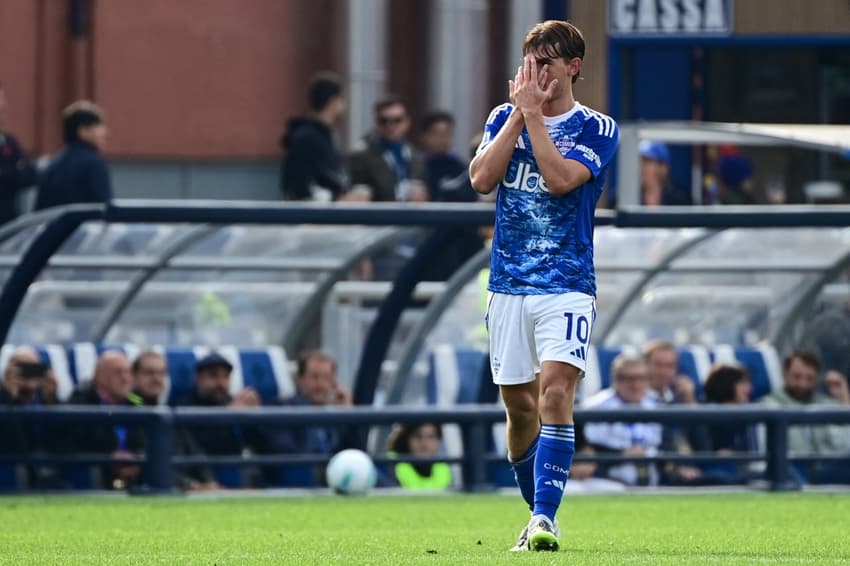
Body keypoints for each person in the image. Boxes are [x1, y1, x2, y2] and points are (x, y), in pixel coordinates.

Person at [468, 20, 619, 551]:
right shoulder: (501, 117)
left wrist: (533, 115)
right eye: (529, 62)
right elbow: (481, 179)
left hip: (567, 283)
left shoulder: (597, 128)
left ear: (573, 67)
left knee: (556, 392)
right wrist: (518, 115)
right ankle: (536, 516)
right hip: (508, 284)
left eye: (547, 63)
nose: (535, 73)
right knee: (520, 408)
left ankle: (544, 519)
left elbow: (559, 180)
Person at [258, 350, 358, 487]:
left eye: (327, 378)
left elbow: (357, 451)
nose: (320, 385)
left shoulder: (336, 413)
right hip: (299, 480)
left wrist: (349, 417)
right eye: (314, 377)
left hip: (337, 477)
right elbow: (286, 451)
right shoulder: (281, 408)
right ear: (299, 379)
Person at [759, 350, 850, 484]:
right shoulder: (767, 406)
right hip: (790, 472)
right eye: (797, 377)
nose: (803, 384)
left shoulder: (829, 405)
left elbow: (845, 447)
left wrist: (844, 399)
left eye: (809, 379)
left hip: (829, 471)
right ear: (784, 374)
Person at [174, 352, 262, 488]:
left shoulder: (233, 402)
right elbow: (197, 444)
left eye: (225, 377)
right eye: (213, 376)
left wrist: (256, 418)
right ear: (198, 378)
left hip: (237, 472)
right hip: (203, 476)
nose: (220, 383)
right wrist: (228, 415)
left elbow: (259, 443)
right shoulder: (184, 407)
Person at [65, 350, 145, 490]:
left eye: (128, 372)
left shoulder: (134, 399)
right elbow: (75, 443)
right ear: (99, 376)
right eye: (118, 372)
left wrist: (138, 458)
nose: (125, 378)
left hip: (134, 471)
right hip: (96, 470)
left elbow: (151, 414)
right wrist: (109, 457)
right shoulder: (81, 401)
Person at [582, 354, 663, 487]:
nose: (636, 385)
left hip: (653, 480)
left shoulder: (656, 404)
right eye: (629, 379)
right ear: (616, 379)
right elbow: (590, 447)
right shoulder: (595, 407)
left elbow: (665, 443)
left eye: (642, 378)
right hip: (607, 481)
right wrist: (622, 454)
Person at [280, 72, 355, 202]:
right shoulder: (306, 138)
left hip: (329, 209)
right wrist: (338, 198)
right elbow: (300, 187)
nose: (345, 103)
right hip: (313, 212)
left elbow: (331, 176)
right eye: (342, 97)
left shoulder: (327, 134)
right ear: (333, 101)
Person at [642, 341, 703, 485]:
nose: (663, 372)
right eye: (658, 365)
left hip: (692, 469)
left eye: (669, 366)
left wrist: (691, 403)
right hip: (658, 471)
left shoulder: (681, 400)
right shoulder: (635, 401)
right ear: (645, 366)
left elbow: (704, 445)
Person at [0, 347, 62, 489]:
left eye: (34, 369)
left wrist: (52, 401)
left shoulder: (46, 399)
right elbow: (12, 445)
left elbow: (62, 444)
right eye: (22, 369)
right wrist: (9, 398)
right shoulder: (3, 400)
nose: (28, 375)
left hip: (50, 469)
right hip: (15, 470)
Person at [35, 101, 112, 211]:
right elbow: (105, 209)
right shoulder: (94, 165)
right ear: (83, 131)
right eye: (98, 126)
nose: (105, 133)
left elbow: (39, 211)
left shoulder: (52, 166)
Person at [348, 95, 427, 202]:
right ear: (376, 122)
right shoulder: (362, 154)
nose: (390, 126)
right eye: (384, 121)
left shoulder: (413, 153)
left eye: (397, 120)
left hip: (407, 210)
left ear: (407, 122)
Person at [700, 363, 757, 484]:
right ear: (727, 383)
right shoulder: (705, 414)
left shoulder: (746, 417)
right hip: (715, 472)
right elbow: (703, 451)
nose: (749, 388)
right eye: (742, 383)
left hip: (741, 470)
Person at [0, 82, 37, 225]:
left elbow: (31, 175)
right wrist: (14, 171)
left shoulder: (9, 142)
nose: (3, 109)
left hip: (8, 226)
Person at [386, 422, 451, 490]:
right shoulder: (388, 465)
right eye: (418, 436)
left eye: (431, 437)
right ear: (406, 439)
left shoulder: (444, 465)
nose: (424, 444)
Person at [639, 140, 690, 206]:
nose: (641, 166)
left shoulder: (680, 200)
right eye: (639, 160)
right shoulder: (629, 198)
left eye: (647, 161)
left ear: (663, 167)